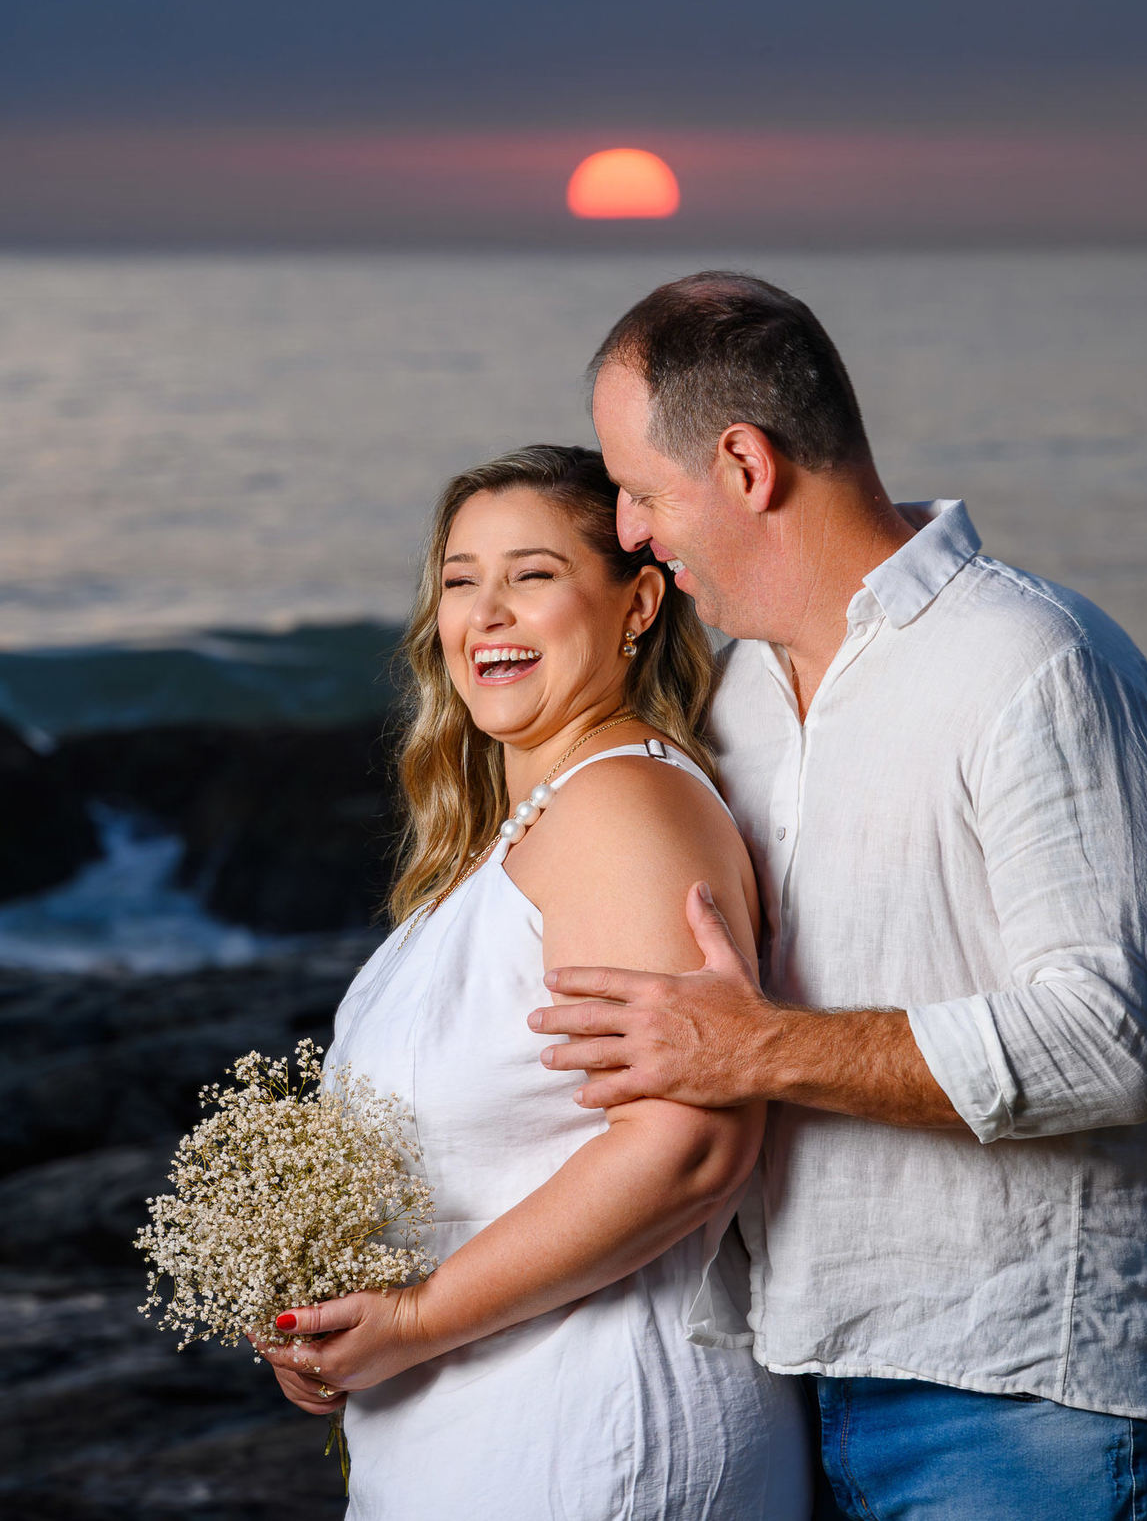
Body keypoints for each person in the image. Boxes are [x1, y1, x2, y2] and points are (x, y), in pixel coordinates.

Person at [530, 271, 1147, 1519]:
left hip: (1023, 1407)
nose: (627, 527)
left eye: (640, 487)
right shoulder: (735, 701)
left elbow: (1112, 1046)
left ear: (744, 463)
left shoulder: (1033, 663)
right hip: (796, 1388)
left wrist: (760, 1049)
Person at [258, 444, 808, 1520]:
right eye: (461, 580)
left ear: (637, 601)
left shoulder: (621, 811)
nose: (488, 613)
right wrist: (328, 1313)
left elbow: (688, 1143)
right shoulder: (513, 837)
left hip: (597, 1439)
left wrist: (415, 1321)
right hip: (474, 1439)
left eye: (533, 574)